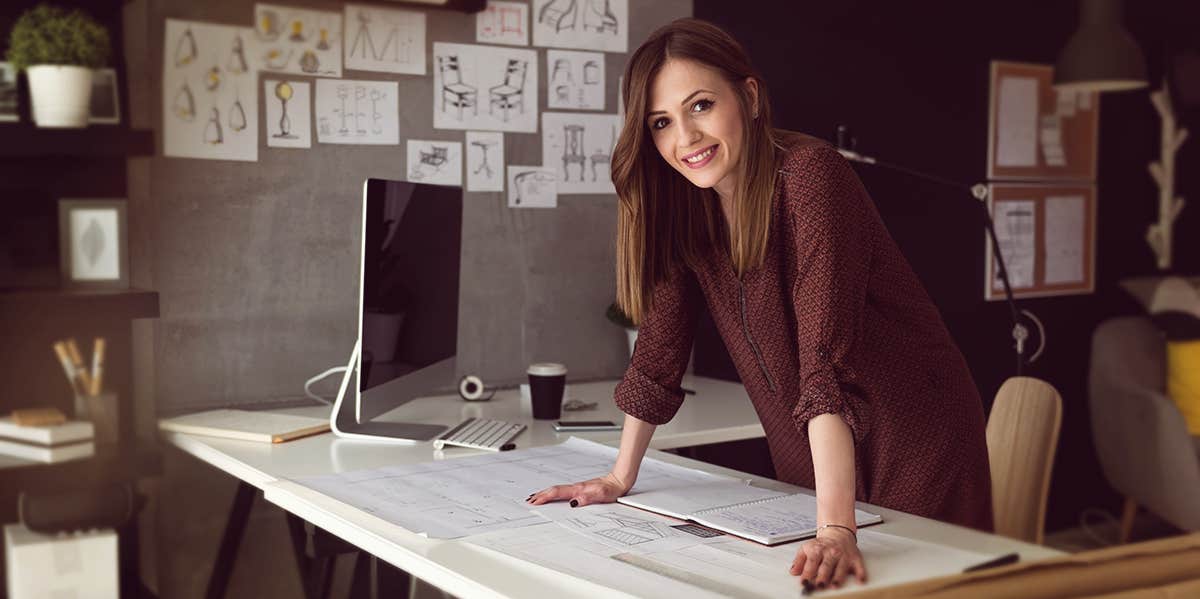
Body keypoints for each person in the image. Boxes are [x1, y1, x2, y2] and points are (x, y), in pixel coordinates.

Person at [529, 18, 992, 591]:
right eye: (662, 122)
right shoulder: (686, 207)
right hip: (813, 450)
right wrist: (620, 477)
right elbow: (658, 353)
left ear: (748, 96)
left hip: (914, 439)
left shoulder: (811, 177)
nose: (685, 138)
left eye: (700, 105)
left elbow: (824, 363)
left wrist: (836, 528)